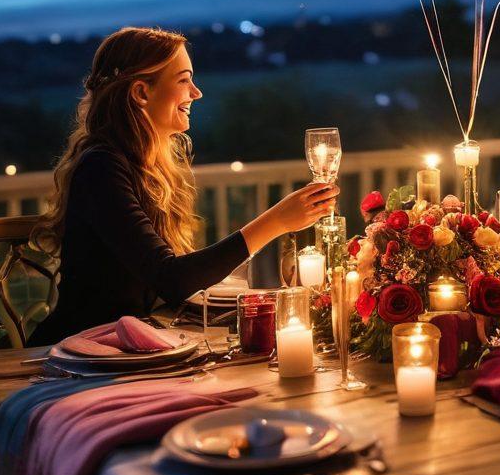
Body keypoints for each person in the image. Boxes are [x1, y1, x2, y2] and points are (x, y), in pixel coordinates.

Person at [30, 27, 337, 344]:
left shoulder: (146, 166)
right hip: (78, 354)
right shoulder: (101, 168)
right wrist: (276, 222)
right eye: (183, 80)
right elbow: (171, 279)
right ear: (141, 93)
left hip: (131, 347)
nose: (196, 92)